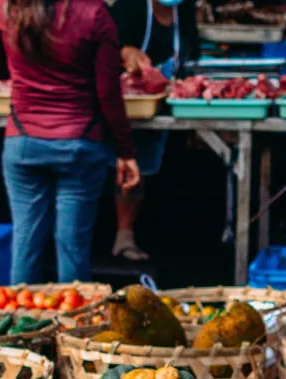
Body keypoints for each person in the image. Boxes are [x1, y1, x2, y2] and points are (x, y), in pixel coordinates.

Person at [0, 0, 140, 284]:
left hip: (23, 141)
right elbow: (108, 94)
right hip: (78, 144)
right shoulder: (95, 14)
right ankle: (73, 324)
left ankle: (21, 323)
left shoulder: (6, 7)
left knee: (25, 244)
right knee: (72, 248)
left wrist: (31, 64)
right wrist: (126, 152)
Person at [109, 0, 199, 262]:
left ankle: (169, 248)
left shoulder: (184, 9)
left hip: (171, 103)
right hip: (131, 104)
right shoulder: (131, 8)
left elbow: (192, 54)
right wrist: (126, 52)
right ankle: (123, 237)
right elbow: (102, 43)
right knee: (130, 168)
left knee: (165, 173)